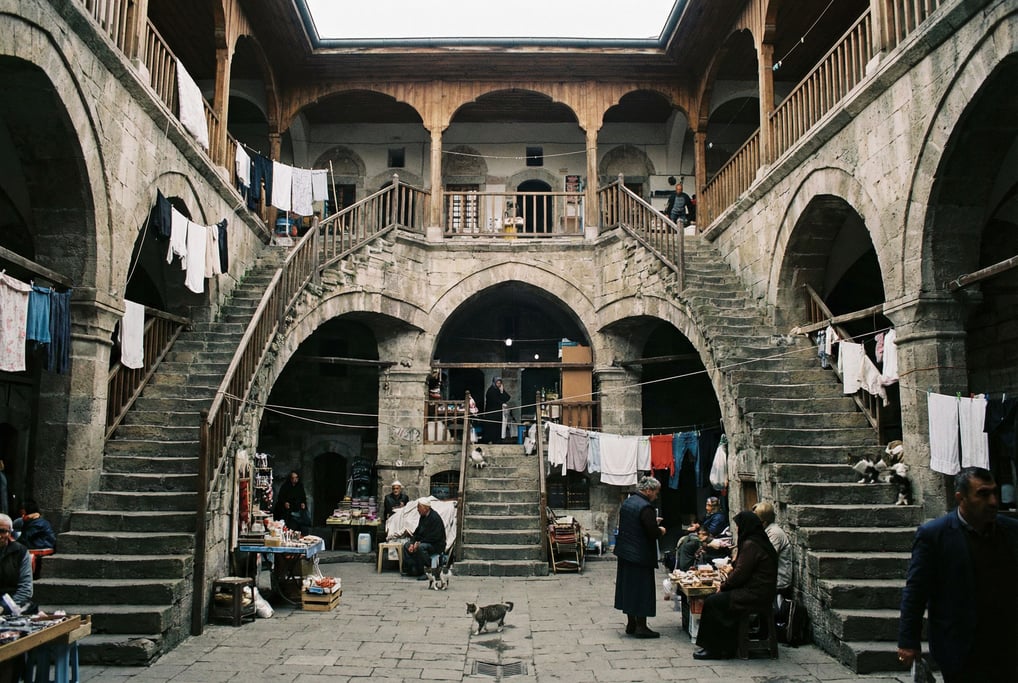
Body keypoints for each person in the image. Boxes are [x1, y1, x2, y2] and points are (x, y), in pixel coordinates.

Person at [897, 467, 1018, 682]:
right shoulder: (935, 535)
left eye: (994, 493)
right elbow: (916, 590)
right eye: (982, 494)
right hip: (960, 646)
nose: (992, 502)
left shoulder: (1010, 531)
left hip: (1006, 642)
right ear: (961, 498)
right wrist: (909, 641)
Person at [693, 510, 778, 660]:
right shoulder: (757, 541)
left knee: (713, 601)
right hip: (759, 590)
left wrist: (724, 586)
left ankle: (715, 648)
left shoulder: (752, 544)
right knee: (718, 599)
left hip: (756, 593)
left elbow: (741, 574)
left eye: (739, 526)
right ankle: (723, 645)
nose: (737, 529)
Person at [613, 476, 667, 638]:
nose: (656, 496)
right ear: (648, 490)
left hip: (625, 552)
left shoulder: (629, 502)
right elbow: (651, 532)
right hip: (639, 554)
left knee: (629, 588)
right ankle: (641, 626)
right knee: (642, 590)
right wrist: (661, 530)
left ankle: (631, 623)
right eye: (655, 493)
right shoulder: (645, 507)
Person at [752, 500, 791, 597]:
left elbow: (765, 557)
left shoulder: (774, 533)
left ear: (764, 522)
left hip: (778, 583)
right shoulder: (765, 530)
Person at [402, 499, 446, 579]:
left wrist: (419, 542)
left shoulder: (434, 518)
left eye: (419, 507)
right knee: (406, 546)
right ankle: (412, 570)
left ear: (425, 508)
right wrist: (413, 542)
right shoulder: (423, 517)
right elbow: (418, 532)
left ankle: (427, 572)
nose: (417, 510)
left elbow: (435, 537)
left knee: (421, 547)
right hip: (425, 541)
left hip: (436, 545)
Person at [0, 513, 32, 614]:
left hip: (12, 602)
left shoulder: (20, 552)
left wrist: (4, 607)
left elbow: (25, 588)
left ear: (10, 533)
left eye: (3, 531)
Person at [274, 470, 311, 535]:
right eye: (293, 478)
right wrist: (285, 503)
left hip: (298, 510)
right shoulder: (285, 486)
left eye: (296, 477)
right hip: (288, 511)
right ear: (290, 478)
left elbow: (303, 497)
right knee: (291, 527)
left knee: (302, 527)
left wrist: (303, 503)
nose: (295, 479)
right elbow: (281, 497)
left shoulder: (300, 486)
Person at [482, 377, 510, 444]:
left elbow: (507, 398)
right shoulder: (491, 390)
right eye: (497, 383)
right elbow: (493, 400)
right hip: (491, 412)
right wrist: (501, 403)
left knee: (497, 427)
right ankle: (489, 440)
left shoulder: (499, 390)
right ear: (494, 383)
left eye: (500, 383)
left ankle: (497, 441)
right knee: (491, 427)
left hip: (497, 413)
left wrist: (502, 391)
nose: (499, 384)